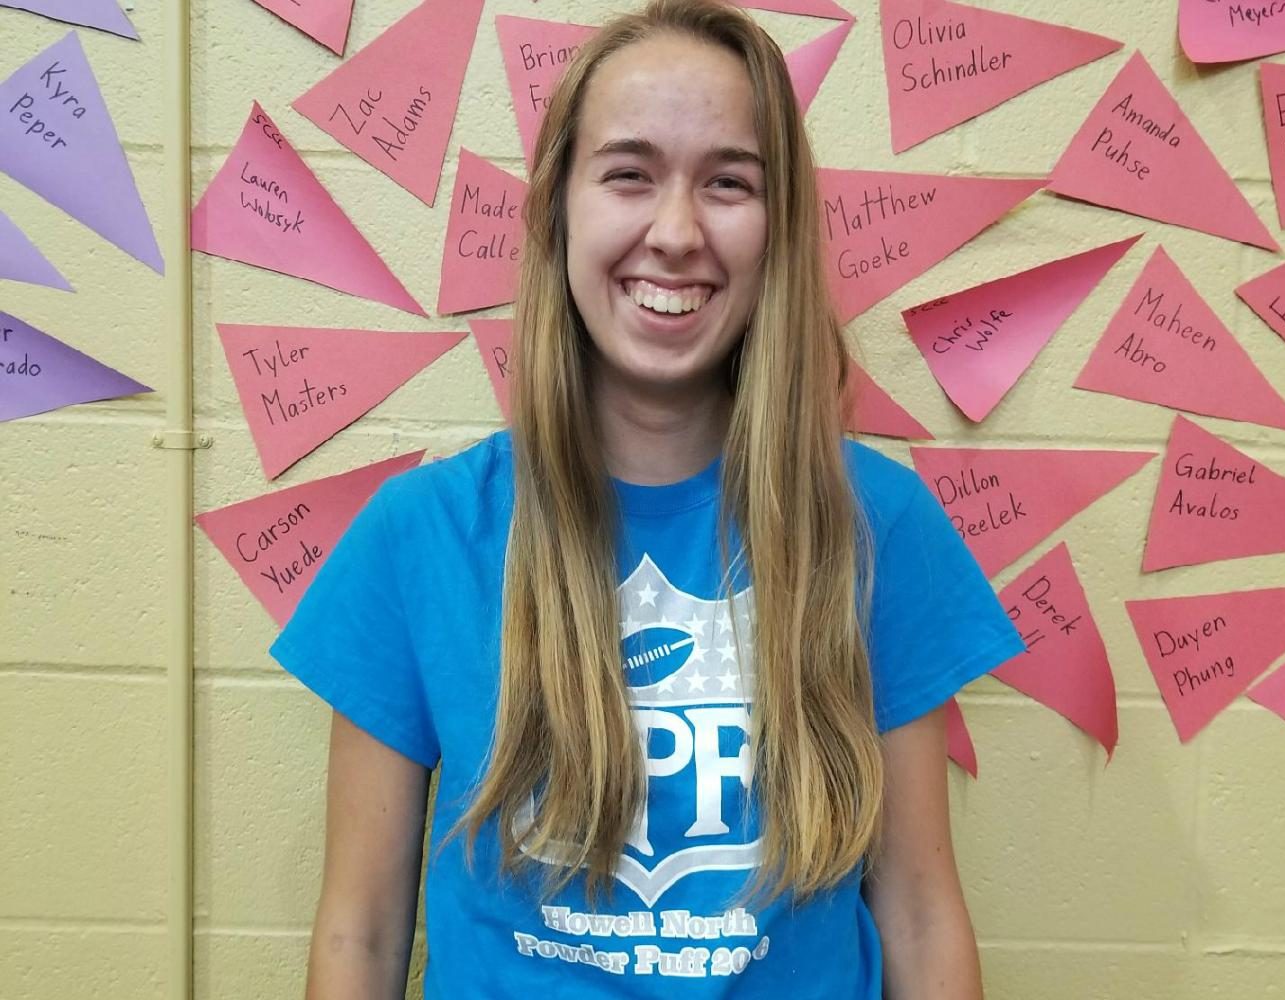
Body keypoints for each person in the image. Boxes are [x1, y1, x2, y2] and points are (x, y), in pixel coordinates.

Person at [270, 1, 1024, 996]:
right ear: (558, 212)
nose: (674, 232)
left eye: (727, 183)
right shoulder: (419, 538)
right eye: (627, 173)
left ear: (779, 228)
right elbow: (357, 938)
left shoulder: (877, 528)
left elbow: (922, 920)